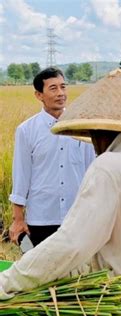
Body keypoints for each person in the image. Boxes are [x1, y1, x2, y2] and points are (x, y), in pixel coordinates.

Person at [0, 69, 121, 316]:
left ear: (100, 129)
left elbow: (71, 244)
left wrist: (8, 281)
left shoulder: (108, 167)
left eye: (90, 131)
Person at [8, 67, 95, 247]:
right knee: (40, 272)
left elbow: (91, 171)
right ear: (39, 95)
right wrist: (18, 219)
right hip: (41, 217)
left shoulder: (82, 127)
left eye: (63, 87)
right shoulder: (26, 130)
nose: (61, 93)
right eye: (53, 88)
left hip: (76, 216)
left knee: (78, 274)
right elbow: (21, 176)